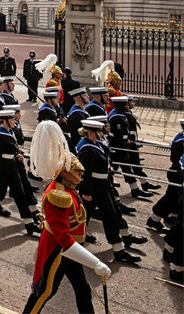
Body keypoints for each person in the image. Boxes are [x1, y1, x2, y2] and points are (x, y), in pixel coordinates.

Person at [22, 121, 110, 313]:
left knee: (83, 290)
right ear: (66, 174)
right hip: (59, 250)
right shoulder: (58, 196)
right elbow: (63, 237)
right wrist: (95, 263)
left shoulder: (69, 188)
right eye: (77, 172)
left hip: (71, 251)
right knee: (44, 292)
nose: (81, 174)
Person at [75, 119, 143, 263]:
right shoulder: (87, 148)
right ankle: (74, 248)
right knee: (82, 219)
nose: (102, 133)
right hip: (92, 189)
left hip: (103, 186)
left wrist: (108, 169)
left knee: (111, 216)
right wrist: (86, 192)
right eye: (99, 131)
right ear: (91, 133)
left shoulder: (96, 144)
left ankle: (118, 250)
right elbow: (85, 173)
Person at [0, 109, 42, 234]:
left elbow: (11, 147)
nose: (14, 121)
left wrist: (16, 153)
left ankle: (28, 223)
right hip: (2, 168)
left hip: (12, 166)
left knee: (20, 193)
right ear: (5, 120)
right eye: (12, 119)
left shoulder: (9, 131)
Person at [147, 118, 184, 235]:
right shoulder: (181, 141)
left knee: (173, 198)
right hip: (178, 173)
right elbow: (176, 159)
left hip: (178, 173)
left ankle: (164, 218)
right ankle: (154, 219)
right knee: (171, 197)